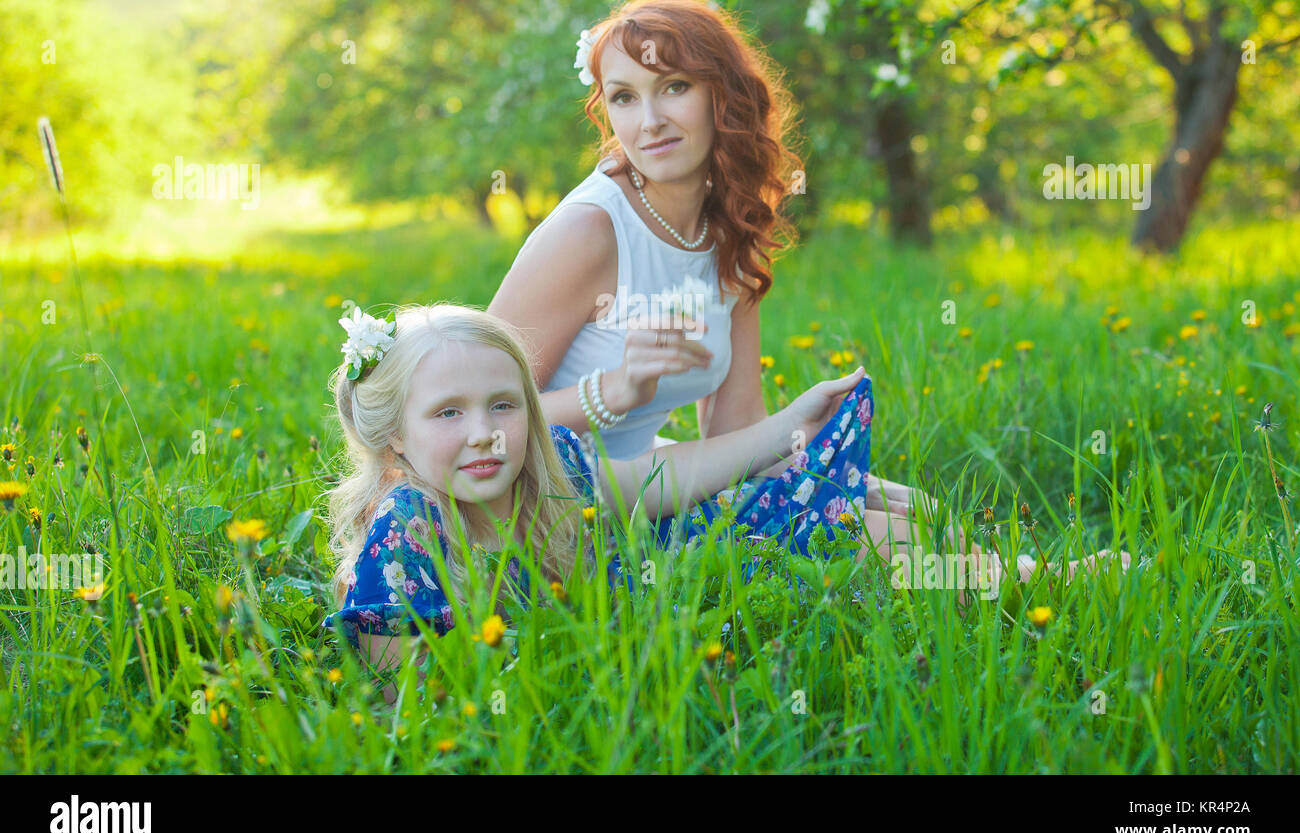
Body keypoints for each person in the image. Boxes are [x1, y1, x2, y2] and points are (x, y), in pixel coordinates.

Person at [322, 303, 1126, 704]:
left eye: (503, 405)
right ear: (394, 441)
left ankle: (1031, 571)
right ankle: (1035, 579)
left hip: (677, 571)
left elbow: (663, 482)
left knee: (841, 514)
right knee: (854, 547)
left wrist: (785, 428)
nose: (486, 434)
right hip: (639, 643)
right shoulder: (409, 535)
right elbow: (405, 695)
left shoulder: (553, 468)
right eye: (448, 414)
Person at [487, 0, 921, 529]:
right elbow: (482, 428)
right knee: (877, 538)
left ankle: (1035, 579)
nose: (649, 121)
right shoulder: (591, 230)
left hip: (660, 479)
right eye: (624, 97)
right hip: (555, 506)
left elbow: (737, 428)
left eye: (674, 87)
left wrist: (818, 468)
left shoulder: (730, 224)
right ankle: (1034, 579)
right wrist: (612, 391)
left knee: (915, 513)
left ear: (723, 95)